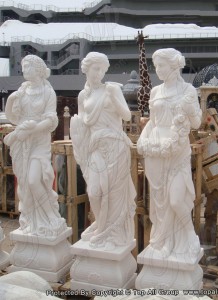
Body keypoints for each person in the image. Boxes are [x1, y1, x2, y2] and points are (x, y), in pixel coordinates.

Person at [137, 48, 202, 258]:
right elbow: (152, 122)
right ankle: (163, 242)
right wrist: (143, 138)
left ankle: (189, 236)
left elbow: (197, 123)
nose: (158, 70)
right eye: (156, 66)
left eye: (161, 65)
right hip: (156, 149)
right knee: (158, 201)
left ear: (174, 65)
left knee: (175, 200)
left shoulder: (188, 91)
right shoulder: (155, 92)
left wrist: (190, 109)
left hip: (176, 149)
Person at [70, 52, 136, 249]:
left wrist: (113, 98)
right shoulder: (83, 95)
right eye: (95, 69)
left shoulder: (112, 90)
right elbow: (82, 123)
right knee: (94, 191)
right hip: (95, 147)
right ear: (87, 69)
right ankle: (101, 224)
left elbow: (125, 115)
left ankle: (111, 232)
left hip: (115, 146)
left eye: (102, 69)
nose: (99, 73)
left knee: (114, 193)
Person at [4, 55, 66, 236]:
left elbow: (51, 121)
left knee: (34, 180)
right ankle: (32, 220)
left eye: (28, 66)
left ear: (38, 69)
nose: (23, 70)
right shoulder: (22, 91)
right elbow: (13, 118)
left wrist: (32, 130)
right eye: (23, 66)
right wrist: (10, 101)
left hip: (39, 142)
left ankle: (50, 217)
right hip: (22, 143)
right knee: (24, 184)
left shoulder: (48, 92)